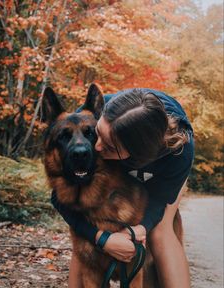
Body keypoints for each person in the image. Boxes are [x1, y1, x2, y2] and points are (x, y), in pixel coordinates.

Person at [51, 88, 194, 288]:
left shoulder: (180, 154)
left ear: (134, 156)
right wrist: (102, 239)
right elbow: (60, 195)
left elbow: (158, 202)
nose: (97, 147)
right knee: (84, 227)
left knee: (160, 231)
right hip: (128, 138)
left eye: (108, 146)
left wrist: (136, 231)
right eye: (97, 134)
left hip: (165, 163)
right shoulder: (89, 115)